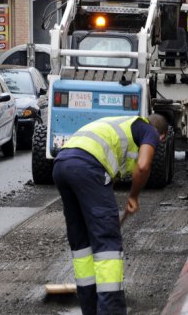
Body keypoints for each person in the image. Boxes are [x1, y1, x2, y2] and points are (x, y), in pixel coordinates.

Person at [52, 114, 168, 315]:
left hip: (62, 164)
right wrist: (133, 196)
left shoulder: (119, 124)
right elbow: (143, 165)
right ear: (162, 137)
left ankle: (90, 308)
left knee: (82, 243)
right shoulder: (148, 130)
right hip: (87, 166)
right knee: (107, 245)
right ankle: (111, 310)